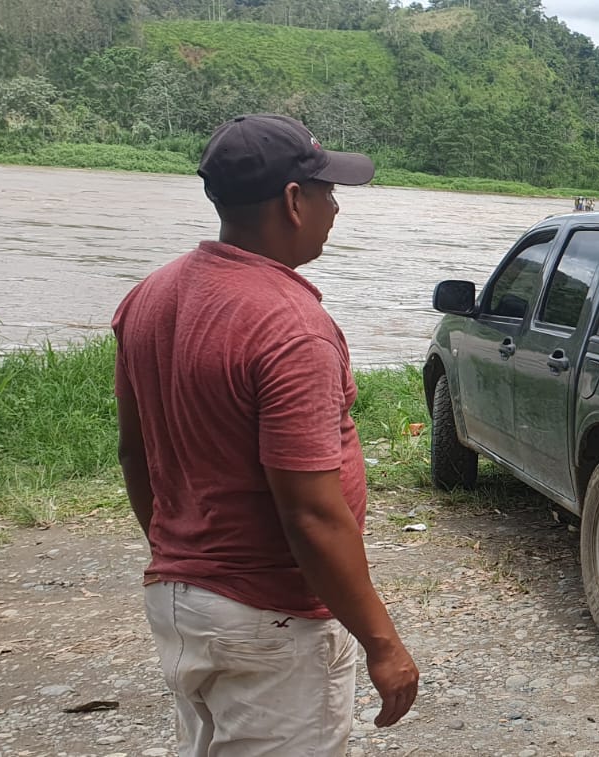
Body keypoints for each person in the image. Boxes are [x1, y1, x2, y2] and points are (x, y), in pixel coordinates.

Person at [113, 114, 419, 756]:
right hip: (270, 620)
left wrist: (186, 563)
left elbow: (135, 455)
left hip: (183, 600)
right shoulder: (291, 328)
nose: (335, 208)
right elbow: (311, 513)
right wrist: (382, 643)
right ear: (292, 200)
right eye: (328, 191)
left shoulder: (149, 296)